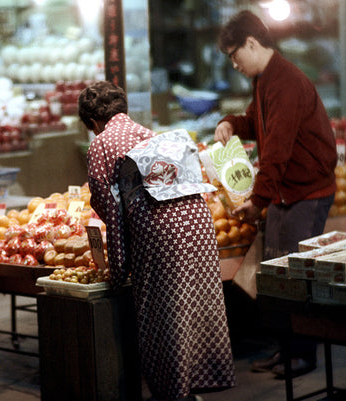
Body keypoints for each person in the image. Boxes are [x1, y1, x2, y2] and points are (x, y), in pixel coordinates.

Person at [80, 80, 235, 401]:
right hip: (199, 222)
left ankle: (172, 392)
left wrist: (118, 269)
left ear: (93, 122)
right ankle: (196, 384)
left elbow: (109, 205)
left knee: (162, 313)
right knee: (195, 304)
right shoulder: (147, 133)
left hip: (159, 232)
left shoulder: (101, 143)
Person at [215, 10, 337, 378]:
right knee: (277, 276)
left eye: (236, 55)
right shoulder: (266, 79)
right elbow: (258, 123)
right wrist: (231, 123)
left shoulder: (284, 81)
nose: (234, 64)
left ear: (252, 44)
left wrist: (259, 199)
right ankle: (283, 348)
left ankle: (303, 353)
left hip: (308, 192)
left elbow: (278, 149)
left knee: (297, 275)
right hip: (286, 193)